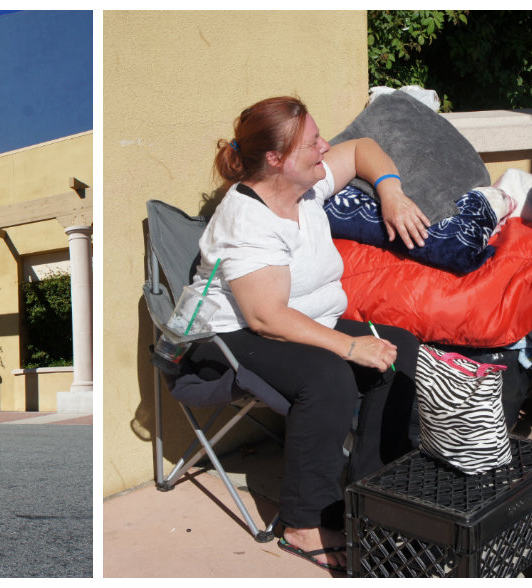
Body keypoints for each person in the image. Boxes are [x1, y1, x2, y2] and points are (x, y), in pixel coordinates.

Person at [182, 96, 427, 572]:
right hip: (226, 339)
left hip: (303, 321)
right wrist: (351, 346)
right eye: (313, 142)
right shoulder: (248, 219)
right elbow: (266, 318)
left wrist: (392, 192)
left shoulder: (306, 183)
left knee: (402, 351)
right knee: (329, 374)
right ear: (276, 159)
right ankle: (304, 521)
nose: (325, 146)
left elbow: (361, 149)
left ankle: (373, 496)